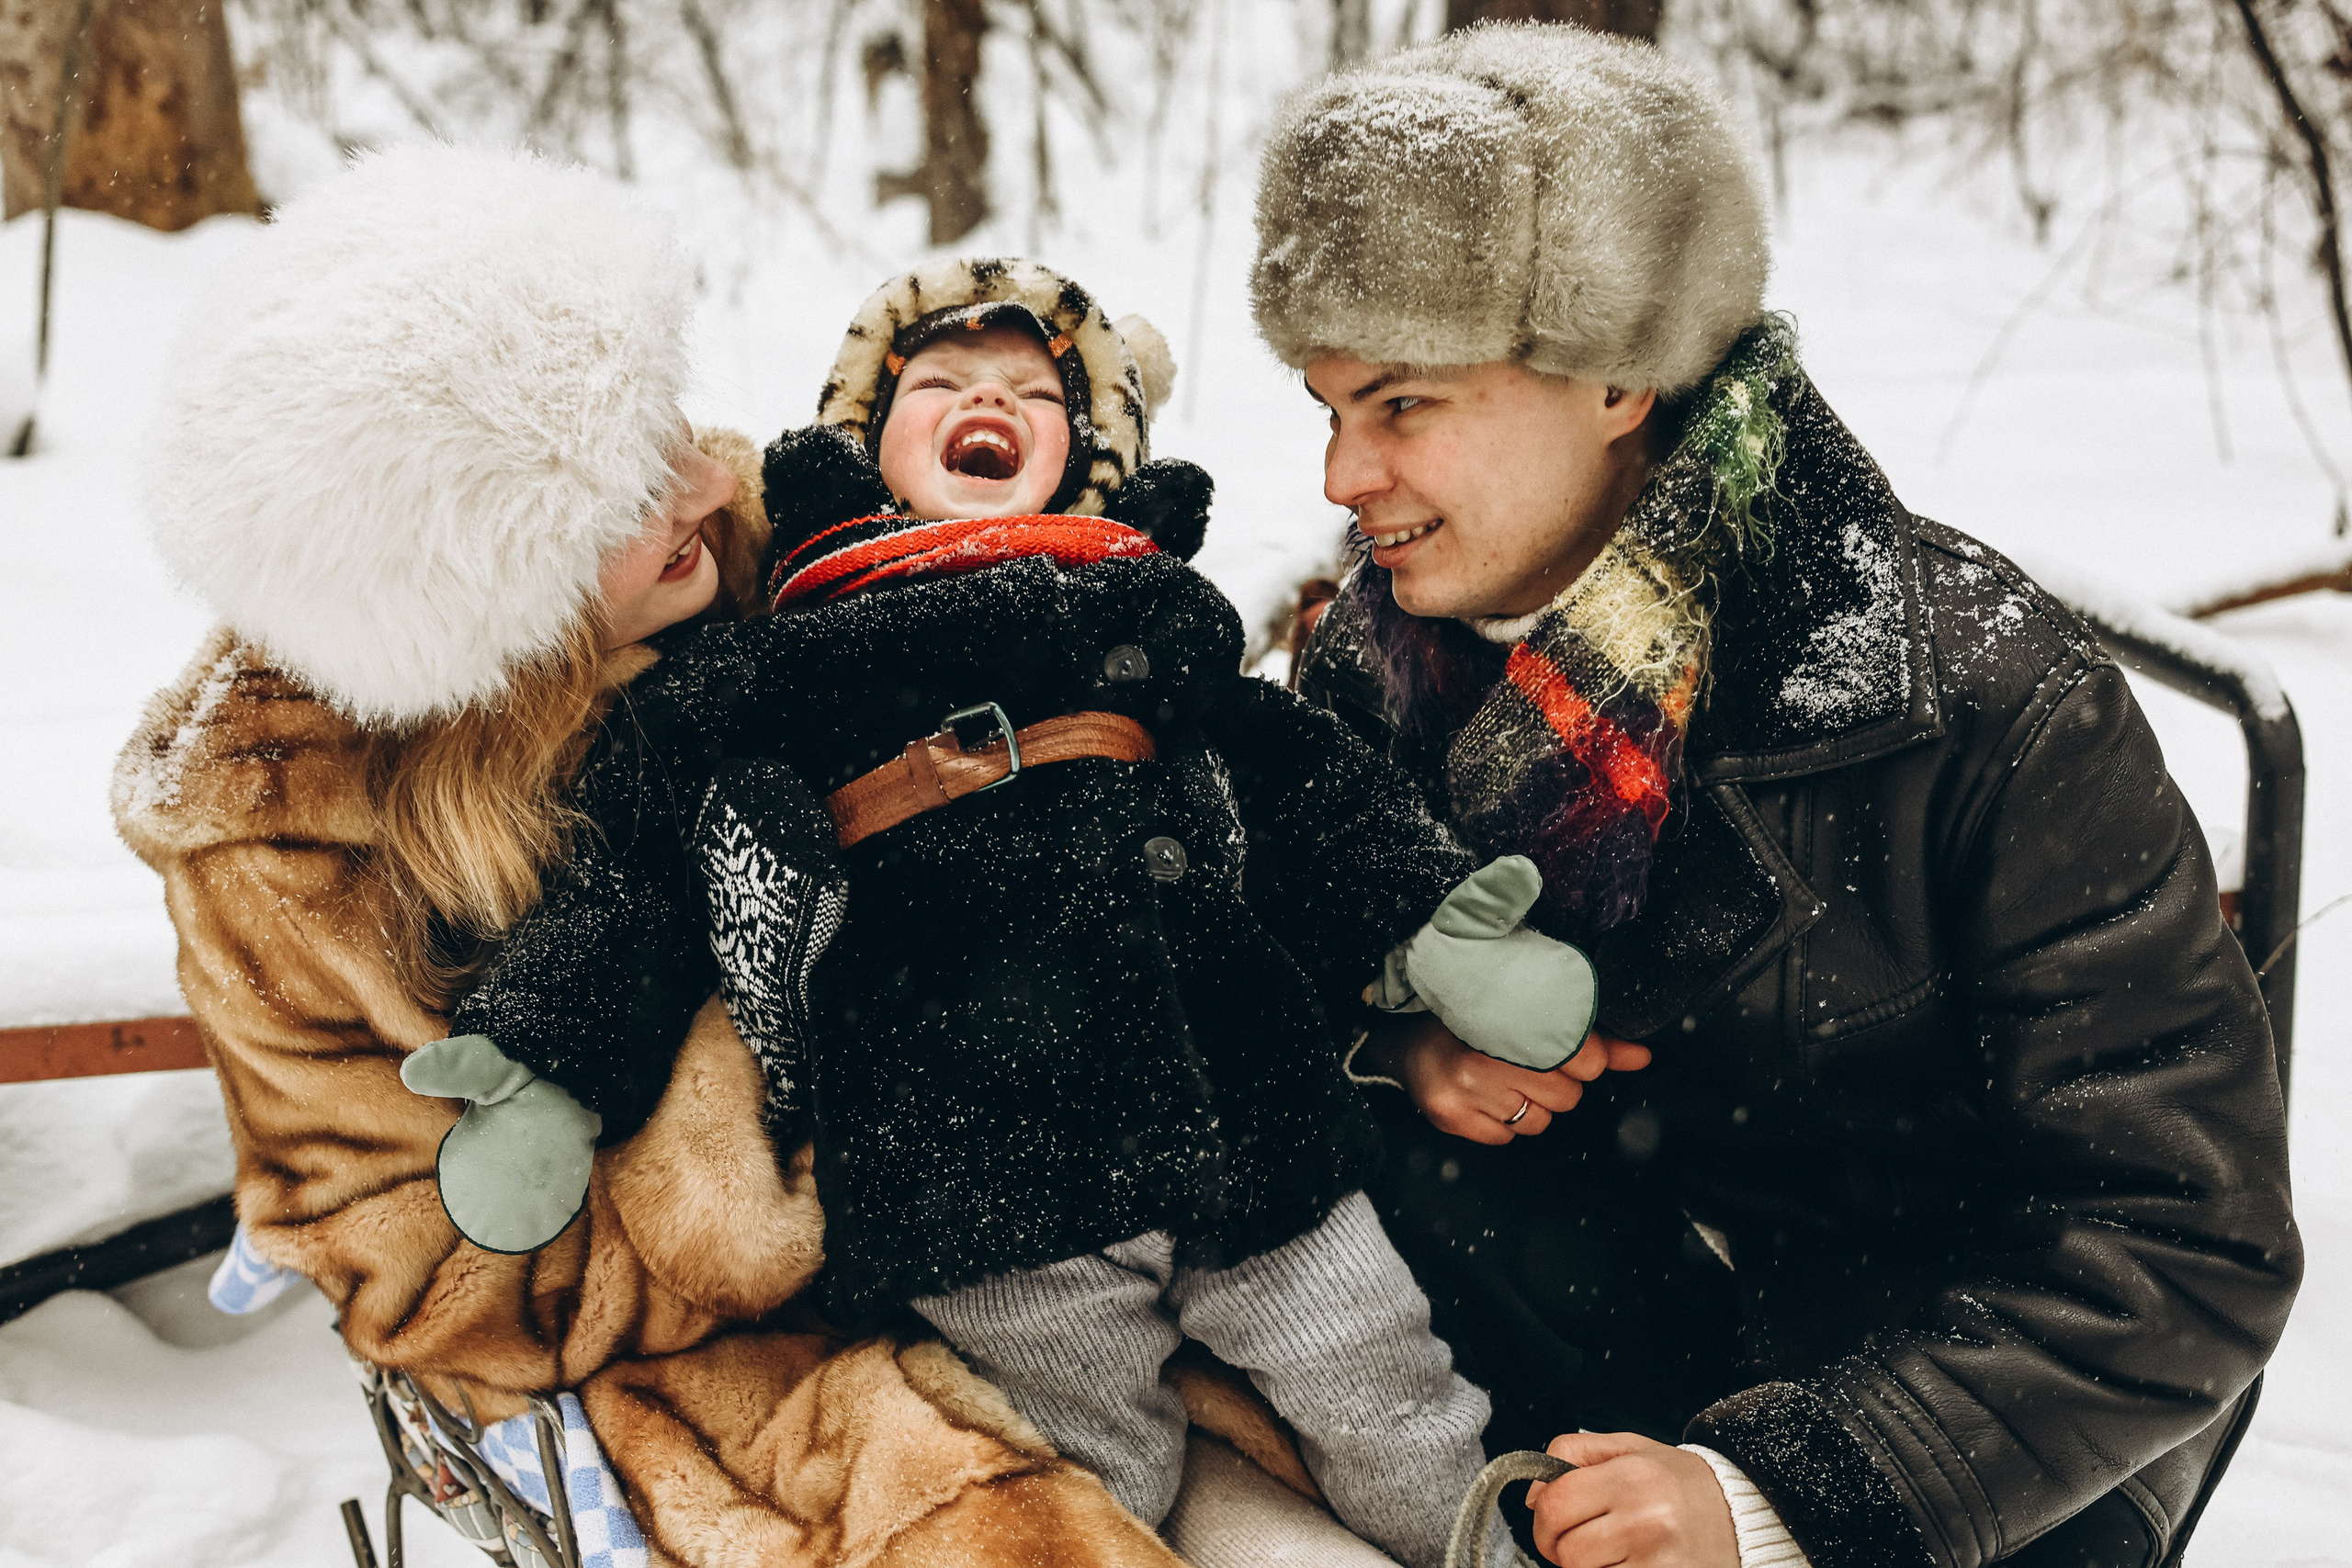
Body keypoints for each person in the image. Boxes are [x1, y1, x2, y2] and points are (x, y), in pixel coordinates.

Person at [1261, 25, 2303, 1568]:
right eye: (1326, 406)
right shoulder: (1374, 667)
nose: (1344, 477)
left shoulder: (1980, 699)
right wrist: (1394, 1045)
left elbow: (2185, 1242)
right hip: (1588, 1337)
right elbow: (1275, 986)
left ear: (1621, 377)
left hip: (1972, 1444)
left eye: (1403, 405)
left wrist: (1780, 1496)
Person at [116, 142, 1210, 1568]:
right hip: (698, 1323)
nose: (708, 475)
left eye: (669, 418)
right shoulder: (285, 844)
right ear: (487, 579)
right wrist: (764, 1150)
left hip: (1045, 1155)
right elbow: (437, 1278)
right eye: (624, 485)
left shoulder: (751, 532)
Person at [414, 254, 1600, 1568]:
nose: (990, 398)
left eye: (1036, 391)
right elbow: (641, 871)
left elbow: (1298, 777)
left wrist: (1436, 925)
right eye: (938, 382)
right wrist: (551, 1059)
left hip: (1244, 1121)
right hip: (979, 1171)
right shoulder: (780, 660)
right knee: (1086, 1488)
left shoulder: (1137, 614)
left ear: (1090, 457)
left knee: (1395, 1404)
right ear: (865, 440)